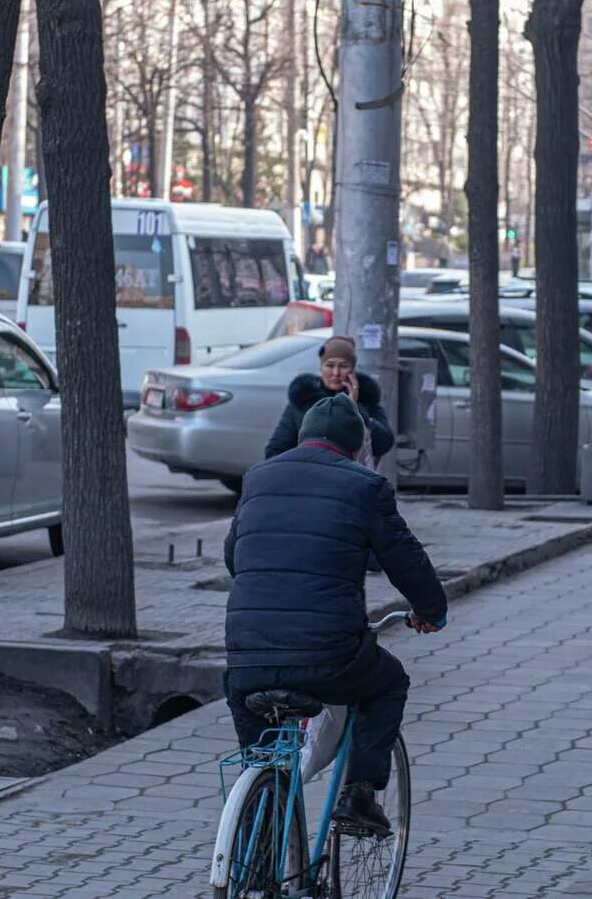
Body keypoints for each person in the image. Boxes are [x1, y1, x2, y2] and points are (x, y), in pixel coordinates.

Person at [223, 394, 446, 833]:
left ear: (302, 438)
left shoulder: (258, 478)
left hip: (247, 659)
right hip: (329, 656)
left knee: (259, 748)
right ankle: (359, 796)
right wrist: (430, 612)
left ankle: (255, 827)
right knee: (388, 682)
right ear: (353, 448)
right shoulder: (365, 486)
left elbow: (234, 556)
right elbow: (406, 561)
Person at [263, 334, 394, 462]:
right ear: (321, 367)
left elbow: (383, 444)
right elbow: (276, 450)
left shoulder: (366, 399)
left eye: (343, 366)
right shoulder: (304, 399)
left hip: (351, 478)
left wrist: (352, 407)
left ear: (352, 370)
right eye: (330, 365)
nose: (336, 373)